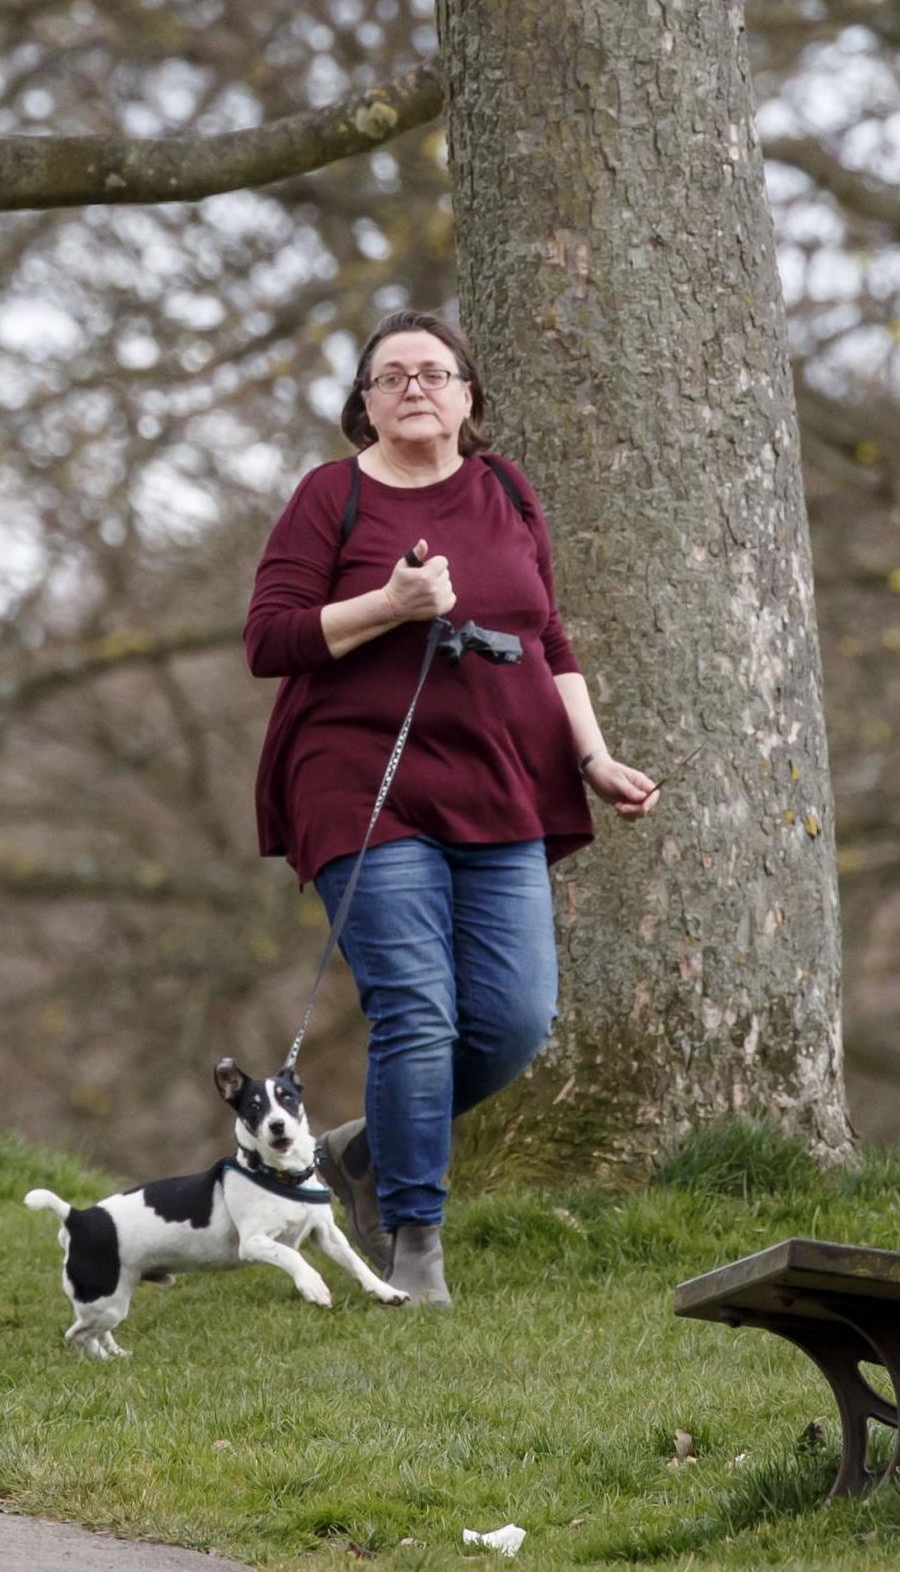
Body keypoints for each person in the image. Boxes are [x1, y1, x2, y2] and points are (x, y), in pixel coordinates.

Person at [243, 309, 657, 1308]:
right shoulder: (328, 498)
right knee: (416, 1009)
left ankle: (361, 1149)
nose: (415, 388)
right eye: (391, 377)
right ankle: (416, 1246)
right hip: (359, 782)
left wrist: (593, 756)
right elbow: (270, 638)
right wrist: (389, 605)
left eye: (435, 372)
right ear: (366, 405)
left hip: (498, 779)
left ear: (468, 397)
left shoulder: (507, 489)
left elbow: (547, 636)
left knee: (514, 1022)